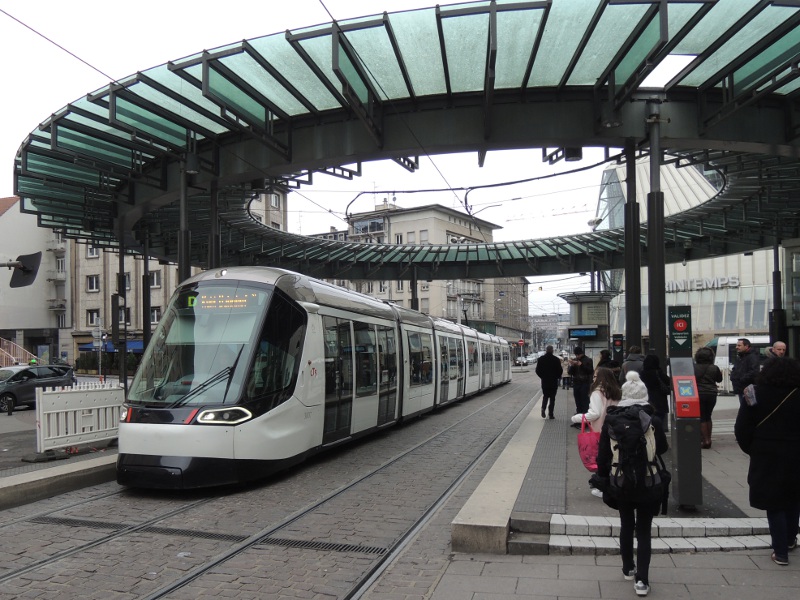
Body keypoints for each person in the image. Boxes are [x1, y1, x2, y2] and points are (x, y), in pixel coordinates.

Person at [596, 371, 669, 596]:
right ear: (644, 395)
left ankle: (628, 567)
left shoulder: (612, 419)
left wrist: (603, 478)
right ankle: (642, 581)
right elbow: (663, 449)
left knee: (626, 524)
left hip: (622, 481)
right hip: (648, 481)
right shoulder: (652, 420)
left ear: (623, 395)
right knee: (644, 530)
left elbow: (603, 456)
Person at [734, 357, 800, 566]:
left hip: (766, 452)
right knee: (793, 496)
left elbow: (742, 427)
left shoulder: (755, 393)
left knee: (774, 502)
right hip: (796, 450)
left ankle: (780, 552)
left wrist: (752, 448)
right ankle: (790, 539)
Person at [571, 367, 621, 497]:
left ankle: (603, 488)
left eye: (595, 376)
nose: (593, 379)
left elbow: (595, 413)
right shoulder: (616, 391)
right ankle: (614, 484)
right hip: (616, 428)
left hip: (601, 430)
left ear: (600, 378)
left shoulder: (597, 393)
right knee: (613, 458)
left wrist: (577, 418)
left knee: (602, 460)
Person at [694, 346, 722, 449]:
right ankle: (708, 438)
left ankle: (705, 440)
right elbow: (719, 379)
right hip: (711, 394)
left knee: (701, 416)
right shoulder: (714, 367)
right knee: (708, 416)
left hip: (699, 393)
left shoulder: (694, 367)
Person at [640, 354, 670, 428]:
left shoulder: (641, 374)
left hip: (646, 400)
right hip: (660, 400)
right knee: (659, 421)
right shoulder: (659, 373)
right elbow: (669, 381)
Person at [730, 338, 761, 406]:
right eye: (736, 345)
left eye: (739, 345)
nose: (736, 347)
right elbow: (735, 369)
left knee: (749, 408)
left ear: (746, 346)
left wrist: (742, 379)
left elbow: (754, 372)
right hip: (741, 388)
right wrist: (733, 377)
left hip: (748, 388)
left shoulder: (752, 357)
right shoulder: (741, 357)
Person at [535, 345, 563, 419]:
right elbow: (560, 371)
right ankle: (551, 414)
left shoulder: (541, 359)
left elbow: (537, 370)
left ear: (546, 350)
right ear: (552, 350)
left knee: (545, 396)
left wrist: (542, 377)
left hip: (545, 382)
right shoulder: (556, 360)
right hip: (553, 382)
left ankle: (543, 408)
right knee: (552, 398)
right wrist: (557, 377)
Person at [568, 346, 593, 423]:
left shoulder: (588, 360)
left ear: (581, 353)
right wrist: (572, 366)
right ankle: (579, 418)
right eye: (576, 355)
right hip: (576, 383)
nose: (577, 356)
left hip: (585, 383)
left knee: (585, 401)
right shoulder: (575, 360)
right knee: (578, 401)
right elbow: (570, 372)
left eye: (578, 355)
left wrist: (581, 365)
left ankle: (585, 419)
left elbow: (590, 371)